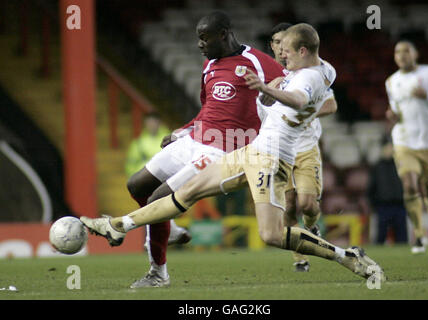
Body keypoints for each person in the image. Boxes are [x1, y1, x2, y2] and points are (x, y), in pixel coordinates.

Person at [81, 23, 385, 282]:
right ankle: (118, 225)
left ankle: (346, 257)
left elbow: (296, 98)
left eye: (287, 52)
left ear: (303, 51)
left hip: (272, 159)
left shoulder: (308, 78)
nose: (282, 57)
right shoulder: (324, 69)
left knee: (272, 235)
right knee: (186, 192)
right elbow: (316, 88)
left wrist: (266, 88)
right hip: (253, 151)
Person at [123, 11, 285, 288]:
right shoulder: (209, 66)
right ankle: (168, 228)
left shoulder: (258, 62)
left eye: (203, 38)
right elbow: (207, 110)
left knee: (158, 200)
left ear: (223, 34)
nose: (199, 44)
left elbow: (289, 89)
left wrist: (273, 105)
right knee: (136, 185)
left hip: (225, 150)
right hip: (195, 140)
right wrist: (182, 132)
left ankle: (158, 273)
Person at [268, 22, 338, 272]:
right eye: (276, 43)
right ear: (272, 46)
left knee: (307, 205)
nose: (280, 48)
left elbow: (331, 105)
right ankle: (300, 257)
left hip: (306, 147)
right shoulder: (269, 74)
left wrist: (304, 113)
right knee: (288, 206)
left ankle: (310, 226)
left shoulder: (311, 72)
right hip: (279, 149)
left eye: (284, 43)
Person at [385, 40, 428, 256]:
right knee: (410, 186)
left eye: (406, 51)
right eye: (397, 52)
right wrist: (391, 115)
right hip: (404, 142)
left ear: (416, 53)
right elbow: (395, 109)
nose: (401, 55)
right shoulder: (391, 81)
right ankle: (420, 236)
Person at [124, 112, 191, 247]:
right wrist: (138, 175)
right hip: (147, 181)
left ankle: (169, 238)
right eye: (149, 122)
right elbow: (130, 164)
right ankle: (158, 238)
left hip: (168, 179)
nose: (151, 125)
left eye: (154, 121)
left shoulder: (169, 138)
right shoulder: (139, 143)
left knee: (163, 208)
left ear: (159, 122)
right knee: (153, 207)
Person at [367, 137, 408, 244]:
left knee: (402, 237)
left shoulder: (400, 165)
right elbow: (371, 188)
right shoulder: (377, 167)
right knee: (380, 237)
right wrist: (375, 204)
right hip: (383, 206)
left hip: (399, 205)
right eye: (388, 147)